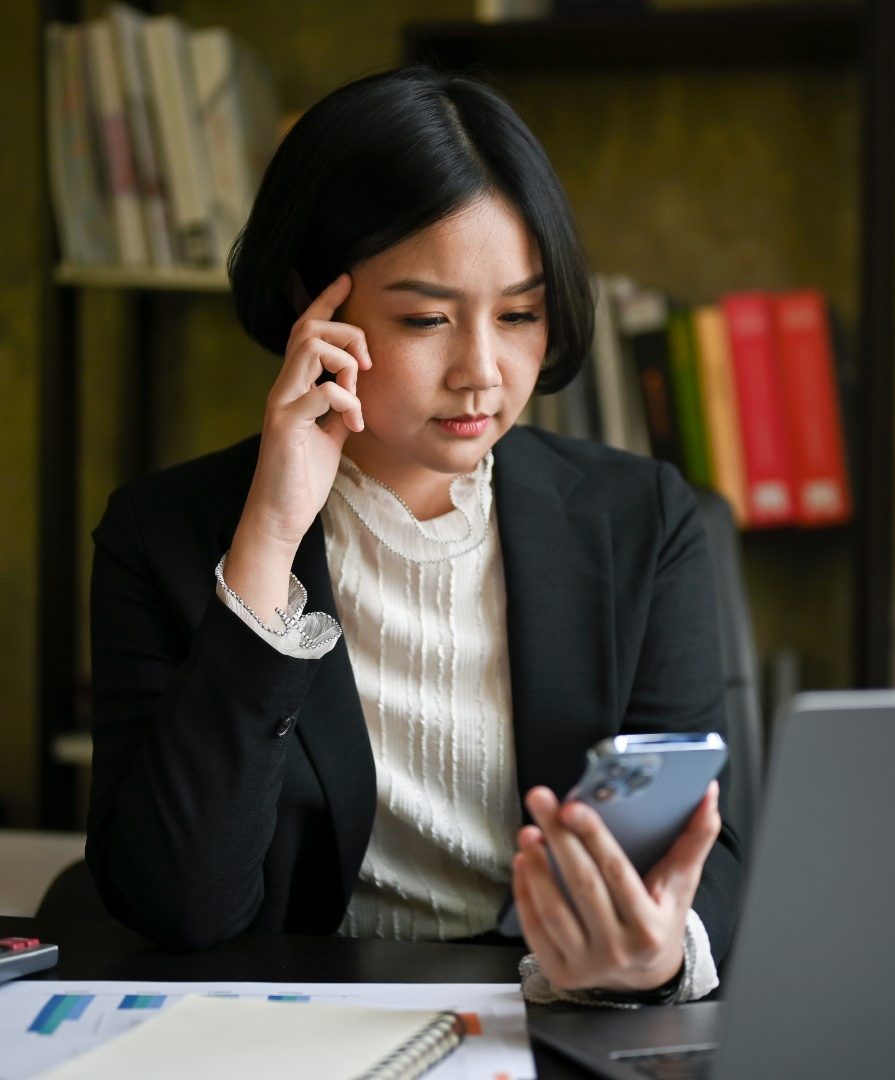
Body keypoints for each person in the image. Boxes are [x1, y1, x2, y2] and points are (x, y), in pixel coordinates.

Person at [87, 66, 741, 1004]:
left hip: (555, 1011)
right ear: (315, 305)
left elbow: (708, 847)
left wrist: (658, 954)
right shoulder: (164, 535)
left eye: (519, 314)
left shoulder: (640, 521)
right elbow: (180, 901)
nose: (483, 372)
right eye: (427, 318)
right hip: (290, 1026)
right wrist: (268, 545)